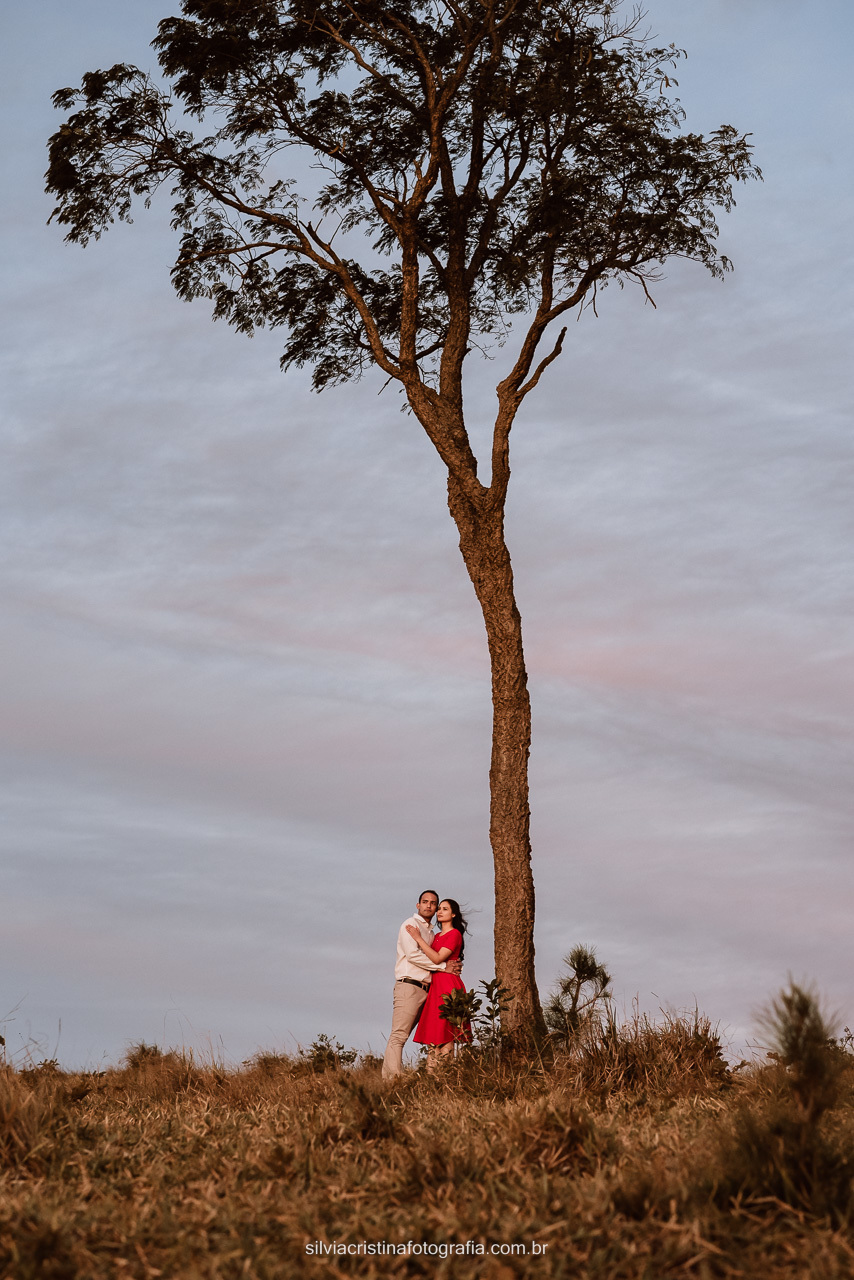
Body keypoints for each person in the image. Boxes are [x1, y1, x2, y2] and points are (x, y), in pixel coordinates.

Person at [381, 890, 462, 1081]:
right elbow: (413, 956)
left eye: (433, 903)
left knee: (437, 1037)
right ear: (418, 905)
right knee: (399, 1035)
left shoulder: (432, 933)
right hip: (410, 985)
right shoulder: (410, 925)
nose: (429, 906)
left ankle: (437, 1078)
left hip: (430, 989)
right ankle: (392, 1080)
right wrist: (443, 966)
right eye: (425, 902)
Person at [407, 898, 472, 1071]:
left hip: (448, 985)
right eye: (439, 909)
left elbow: (437, 958)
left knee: (446, 1033)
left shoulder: (454, 934)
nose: (440, 912)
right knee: (434, 1035)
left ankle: (444, 1077)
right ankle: (431, 1080)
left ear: (453, 914)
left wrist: (417, 938)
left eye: (445, 909)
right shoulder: (436, 936)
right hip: (435, 985)